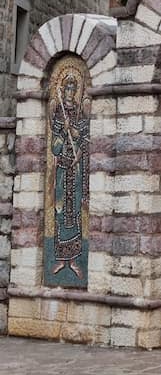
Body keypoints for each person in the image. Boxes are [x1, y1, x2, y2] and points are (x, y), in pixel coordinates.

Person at [49, 69, 89, 280]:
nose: (70, 92)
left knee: (74, 215)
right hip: (62, 171)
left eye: (74, 89)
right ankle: (59, 259)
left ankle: (73, 261)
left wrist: (78, 145)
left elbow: (85, 140)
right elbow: (54, 147)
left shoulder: (80, 115)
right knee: (60, 212)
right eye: (68, 89)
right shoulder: (59, 114)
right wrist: (64, 130)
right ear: (63, 90)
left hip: (75, 170)